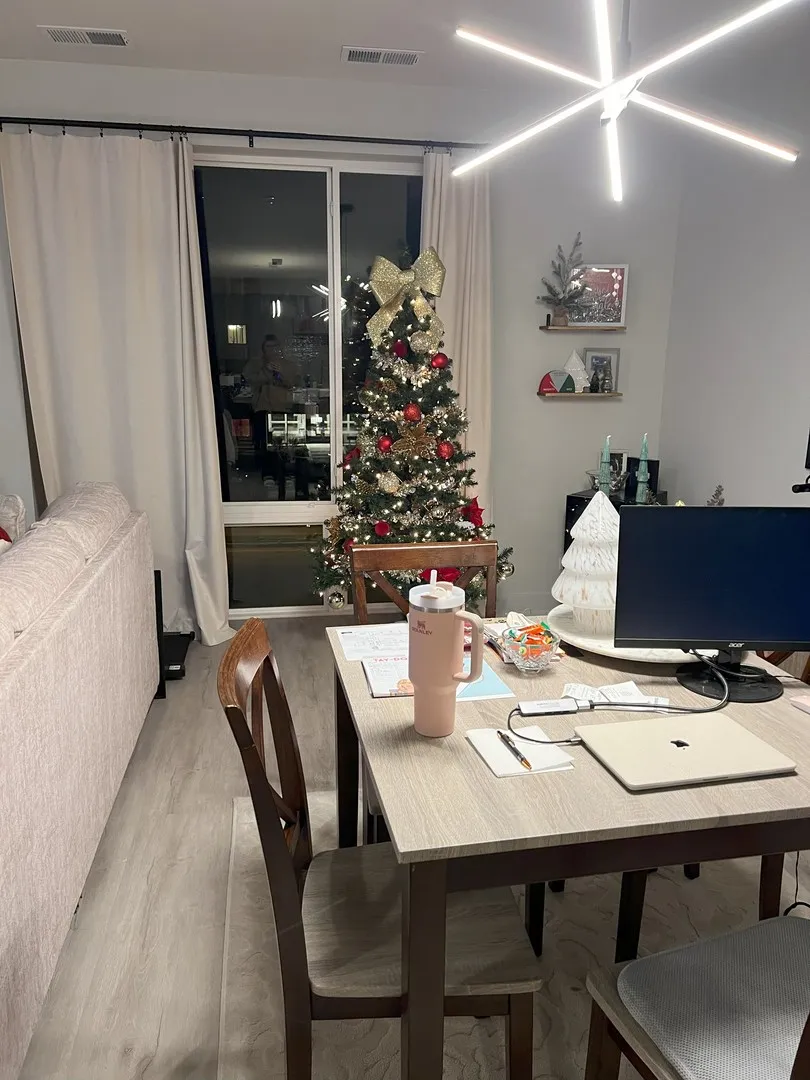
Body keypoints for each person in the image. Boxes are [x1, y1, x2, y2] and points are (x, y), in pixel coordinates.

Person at [243, 335, 293, 498]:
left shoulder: (287, 364)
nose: (272, 350)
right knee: (264, 443)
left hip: (283, 408)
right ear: (263, 349)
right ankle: (268, 474)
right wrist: (266, 370)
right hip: (262, 408)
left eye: (275, 347)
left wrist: (280, 373)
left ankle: (285, 473)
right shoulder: (255, 364)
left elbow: (293, 382)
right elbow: (250, 380)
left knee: (285, 443)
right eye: (268, 347)